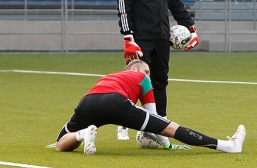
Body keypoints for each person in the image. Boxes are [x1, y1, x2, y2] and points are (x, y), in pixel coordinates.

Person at [54, 60, 246, 155]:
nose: (148, 75)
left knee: (60, 143)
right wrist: (166, 144)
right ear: (133, 69)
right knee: (170, 127)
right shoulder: (142, 78)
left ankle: (83, 134)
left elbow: (99, 97)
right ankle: (229, 146)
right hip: (116, 102)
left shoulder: (109, 76)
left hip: (87, 100)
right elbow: (155, 118)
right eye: (146, 70)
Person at [116, 0, 199, 140]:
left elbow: (176, 4)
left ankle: (160, 123)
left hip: (162, 36)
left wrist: (191, 28)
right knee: (134, 81)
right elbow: (123, 10)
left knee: (160, 81)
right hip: (139, 39)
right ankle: (122, 124)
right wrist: (128, 38)